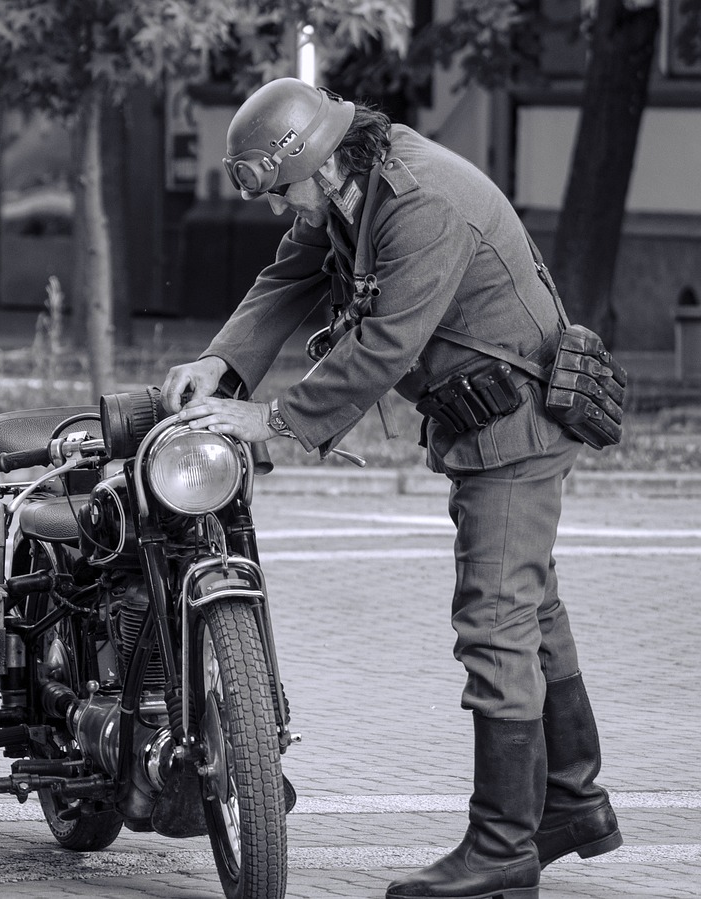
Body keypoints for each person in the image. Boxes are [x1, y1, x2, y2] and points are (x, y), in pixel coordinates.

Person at [161, 78, 621, 899]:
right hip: (479, 423)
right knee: (532, 609)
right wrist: (218, 362)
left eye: (278, 189)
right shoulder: (347, 191)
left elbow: (381, 346)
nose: (277, 209)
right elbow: (288, 278)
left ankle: (503, 847)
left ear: (314, 158)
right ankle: (572, 804)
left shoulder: (421, 204)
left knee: (494, 623)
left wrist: (268, 419)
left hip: (516, 430)